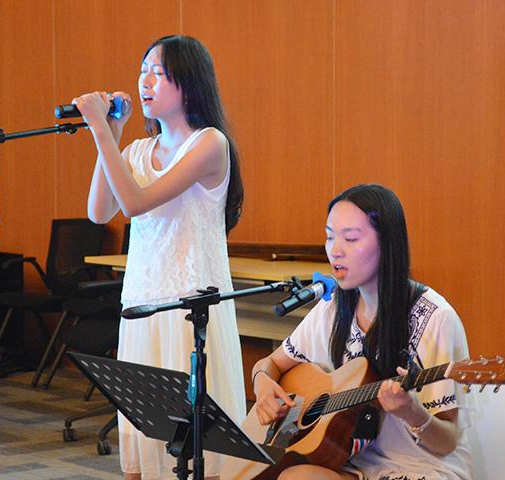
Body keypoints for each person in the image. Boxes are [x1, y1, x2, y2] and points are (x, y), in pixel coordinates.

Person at [73, 35, 246, 479]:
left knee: (193, 446)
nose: (145, 81)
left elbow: (134, 203)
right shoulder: (135, 151)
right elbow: (99, 211)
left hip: (190, 309)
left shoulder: (209, 144)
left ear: (188, 84)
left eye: (158, 73)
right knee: (142, 446)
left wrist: (98, 129)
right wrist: (110, 133)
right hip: (143, 304)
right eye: (142, 70)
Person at [250, 184, 474, 480]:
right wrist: (262, 383)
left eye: (351, 238)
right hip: (355, 464)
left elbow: (447, 442)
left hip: (423, 468)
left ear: (387, 243)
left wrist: (412, 412)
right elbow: (271, 363)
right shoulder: (332, 309)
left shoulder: (434, 317)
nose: (335, 250)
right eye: (330, 236)